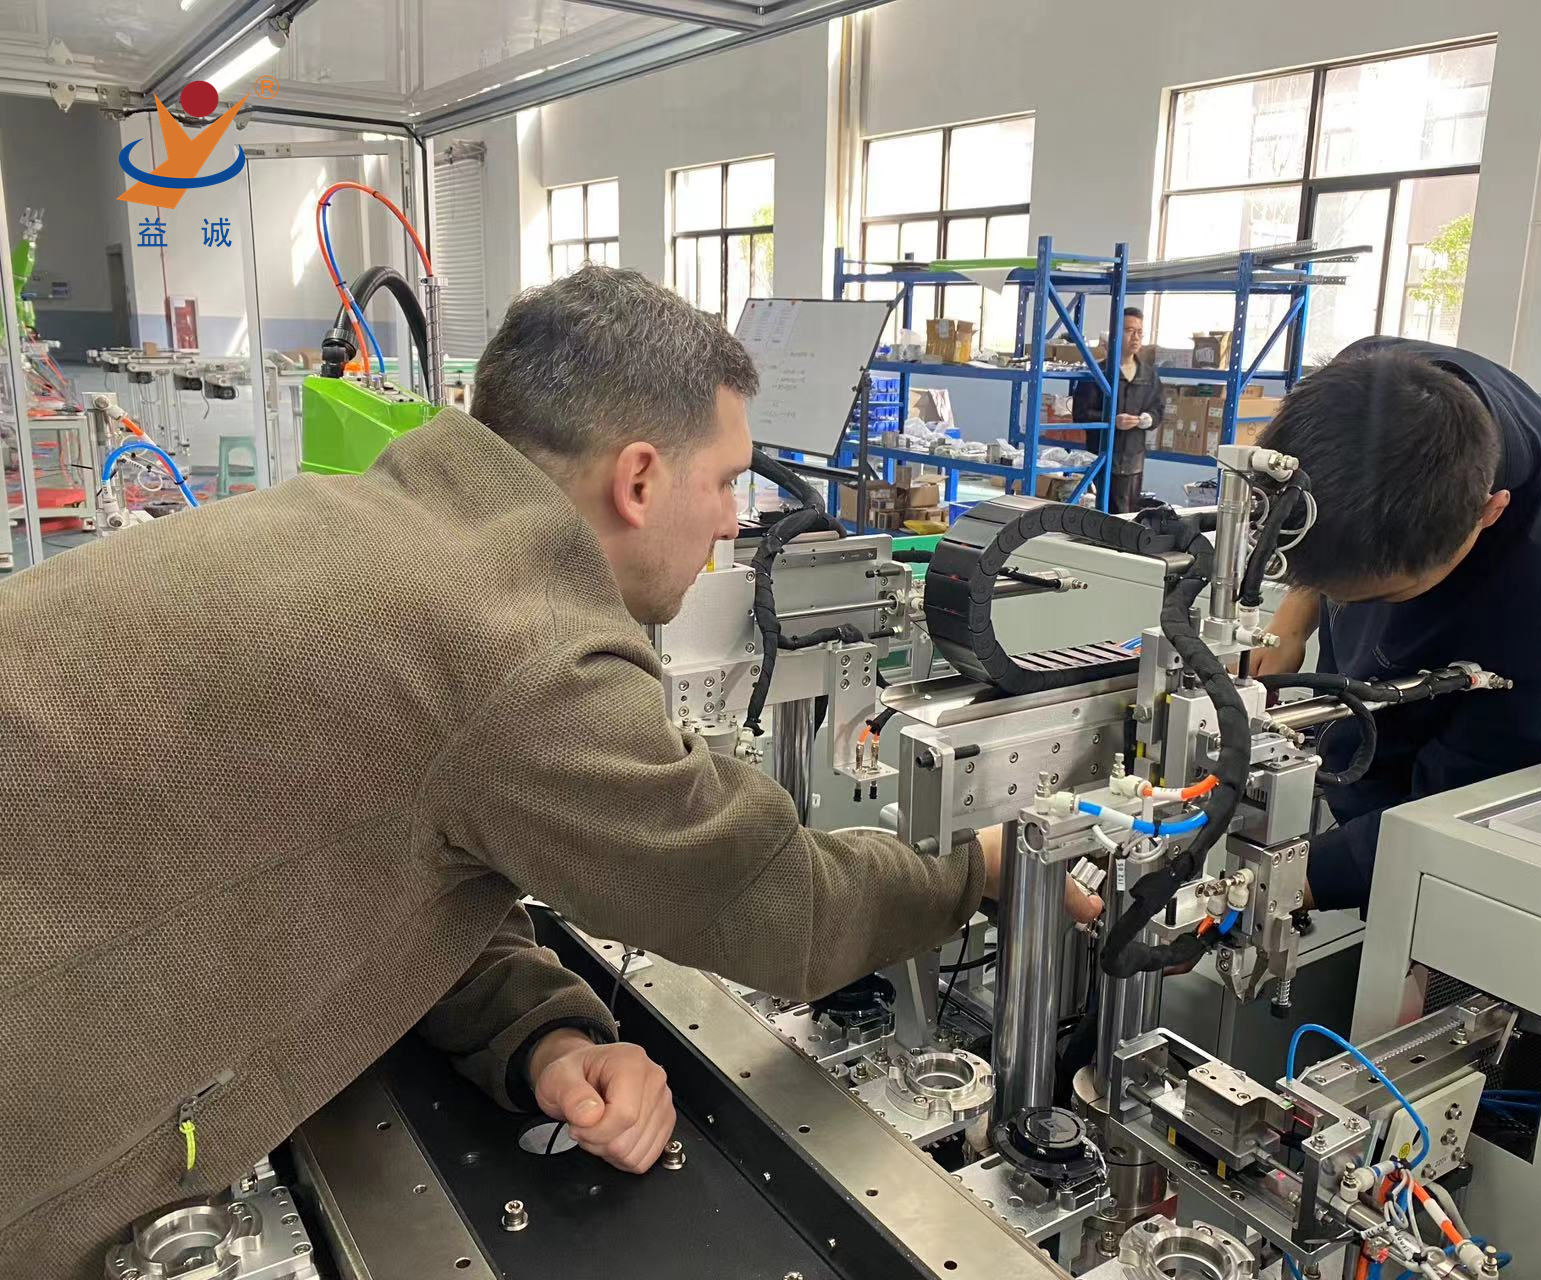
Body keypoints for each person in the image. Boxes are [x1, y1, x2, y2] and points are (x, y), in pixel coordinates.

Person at [0, 267, 1100, 1274]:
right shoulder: (518, 636)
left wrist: (541, 1033)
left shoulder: (384, 517)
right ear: (638, 479)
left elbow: (390, 858)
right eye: (726, 482)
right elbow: (788, 910)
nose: (734, 520)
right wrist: (982, 867)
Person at [1251, 337, 1541, 912]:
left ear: (1488, 512)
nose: (1340, 604)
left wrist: (1264, 896)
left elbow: (1451, 812)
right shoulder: (1374, 388)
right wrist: (1291, 622)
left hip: (1501, 751)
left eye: (1377, 596)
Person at [1072, 306, 1164, 513]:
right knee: (1103, 514)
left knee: (1129, 514)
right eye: (1129, 331)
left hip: (1134, 459)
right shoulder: (1098, 373)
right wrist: (1111, 421)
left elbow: (1158, 408)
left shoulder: (1148, 375)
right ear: (1115, 334)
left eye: (1139, 332)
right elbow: (1081, 414)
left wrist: (1148, 419)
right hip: (1102, 458)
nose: (1135, 337)